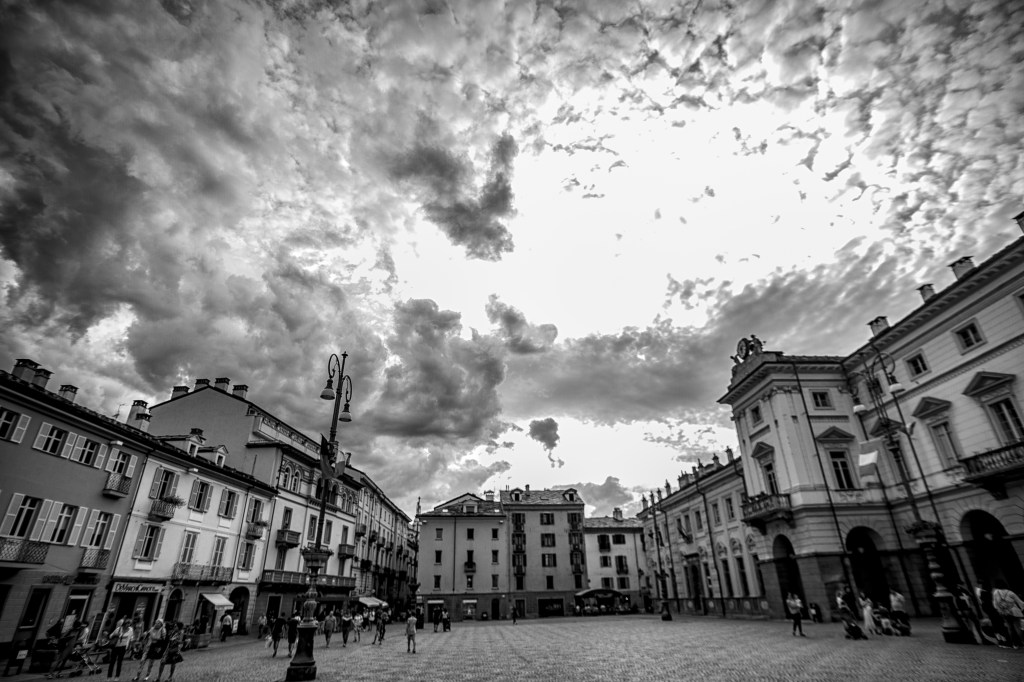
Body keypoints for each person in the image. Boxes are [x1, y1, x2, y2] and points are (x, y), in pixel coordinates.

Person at [992, 580, 1024, 649]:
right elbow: (1020, 602)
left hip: (1004, 612)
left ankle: (1015, 644)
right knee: (1018, 628)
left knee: (1010, 628)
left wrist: (1000, 610)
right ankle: (1022, 641)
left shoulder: (996, 592)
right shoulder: (1010, 592)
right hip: (1014, 612)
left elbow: (995, 604)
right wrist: (1022, 609)